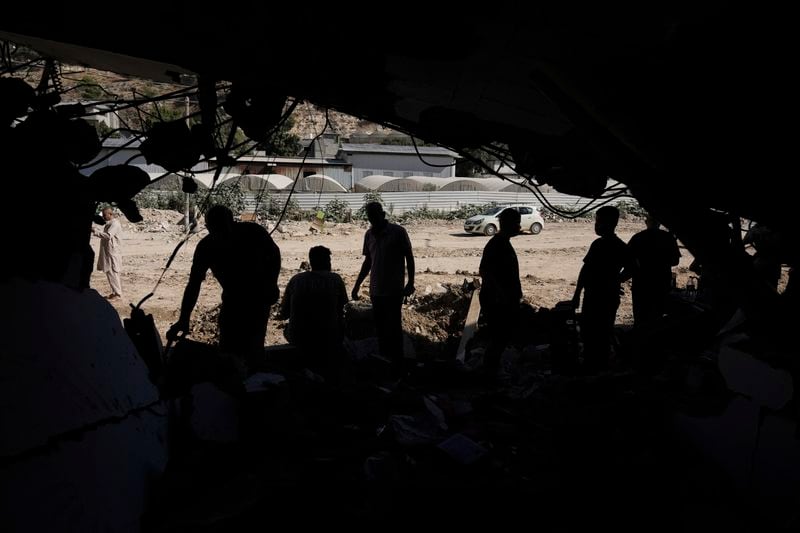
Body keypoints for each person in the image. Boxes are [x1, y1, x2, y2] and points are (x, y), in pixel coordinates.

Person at [166, 205, 281, 374]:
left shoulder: (247, 234)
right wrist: (184, 318)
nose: (222, 233)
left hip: (254, 299)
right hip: (240, 300)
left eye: (222, 227)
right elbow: (194, 284)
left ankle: (250, 383)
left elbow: (274, 255)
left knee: (247, 350)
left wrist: (272, 282)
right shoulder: (246, 234)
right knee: (235, 351)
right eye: (216, 228)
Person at [351, 202, 415, 374]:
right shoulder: (369, 235)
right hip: (376, 290)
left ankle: (398, 364)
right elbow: (368, 262)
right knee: (380, 329)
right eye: (369, 215)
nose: (372, 218)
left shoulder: (398, 232)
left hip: (394, 290)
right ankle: (385, 362)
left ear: (382, 214)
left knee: (394, 328)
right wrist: (357, 285)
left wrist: (410, 283)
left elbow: (409, 256)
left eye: (374, 214)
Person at [572, 205, 634, 372]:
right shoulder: (608, 245)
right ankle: (595, 365)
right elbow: (585, 270)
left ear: (610, 223)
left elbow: (633, 267)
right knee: (594, 332)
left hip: (601, 296)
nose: (596, 225)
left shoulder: (609, 245)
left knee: (598, 334)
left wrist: (615, 280)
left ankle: (596, 367)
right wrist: (616, 280)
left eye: (599, 221)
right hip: (598, 295)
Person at [280, 246, 348, 378]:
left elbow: (284, 313)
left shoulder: (296, 280)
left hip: (299, 337)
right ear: (327, 262)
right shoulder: (335, 279)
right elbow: (343, 309)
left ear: (311, 262)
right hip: (329, 337)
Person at [478, 207, 522, 380]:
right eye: (516, 223)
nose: (519, 227)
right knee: (498, 338)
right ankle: (489, 374)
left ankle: (491, 372)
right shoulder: (497, 244)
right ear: (507, 223)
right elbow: (485, 271)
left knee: (500, 338)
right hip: (497, 302)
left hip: (501, 300)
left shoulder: (502, 243)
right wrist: (502, 295)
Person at [627, 213, 681, 327]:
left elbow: (628, 261)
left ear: (646, 222)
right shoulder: (668, 238)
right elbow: (675, 261)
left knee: (640, 318)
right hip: (661, 284)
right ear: (659, 223)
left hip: (641, 285)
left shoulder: (638, 237)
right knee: (657, 319)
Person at [91, 206, 124, 300]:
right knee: (110, 272)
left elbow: (108, 236)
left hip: (112, 253)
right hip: (109, 252)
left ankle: (117, 294)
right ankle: (115, 292)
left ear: (110, 214)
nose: (104, 217)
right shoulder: (110, 224)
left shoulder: (115, 224)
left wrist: (95, 231)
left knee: (113, 272)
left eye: (105, 215)